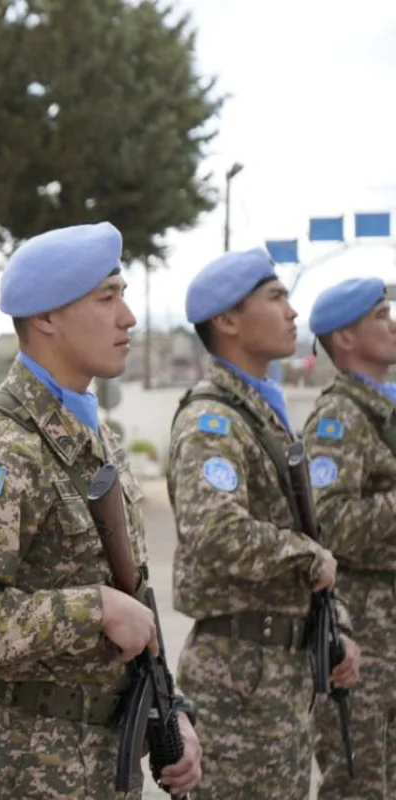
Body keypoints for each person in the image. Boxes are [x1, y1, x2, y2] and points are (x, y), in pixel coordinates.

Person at [0, 222, 201, 799]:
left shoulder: (94, 432)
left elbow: (133, 592)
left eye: (122, 295)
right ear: (47, 317)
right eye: (107, 297)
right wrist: (90, 611)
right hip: (26, 763)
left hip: (103, 755)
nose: (129, 317)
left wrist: (170, 709)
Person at [168, 248, 359, 799]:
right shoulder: (214, 419)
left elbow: (299, 526)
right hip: (239, 675)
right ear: (227, 321)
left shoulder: (261, 413)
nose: (293, 312)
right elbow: (215, 533)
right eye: (276, 298)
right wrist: (309, 560)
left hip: (277, 670)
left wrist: (335, 624)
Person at [304, 276, 396, 798]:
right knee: (359, 784)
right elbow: (329, 523)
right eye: (381, 315)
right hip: (364, 632)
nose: (393, 324)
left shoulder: (386, 405)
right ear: (345, 337)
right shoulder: (339, 418)